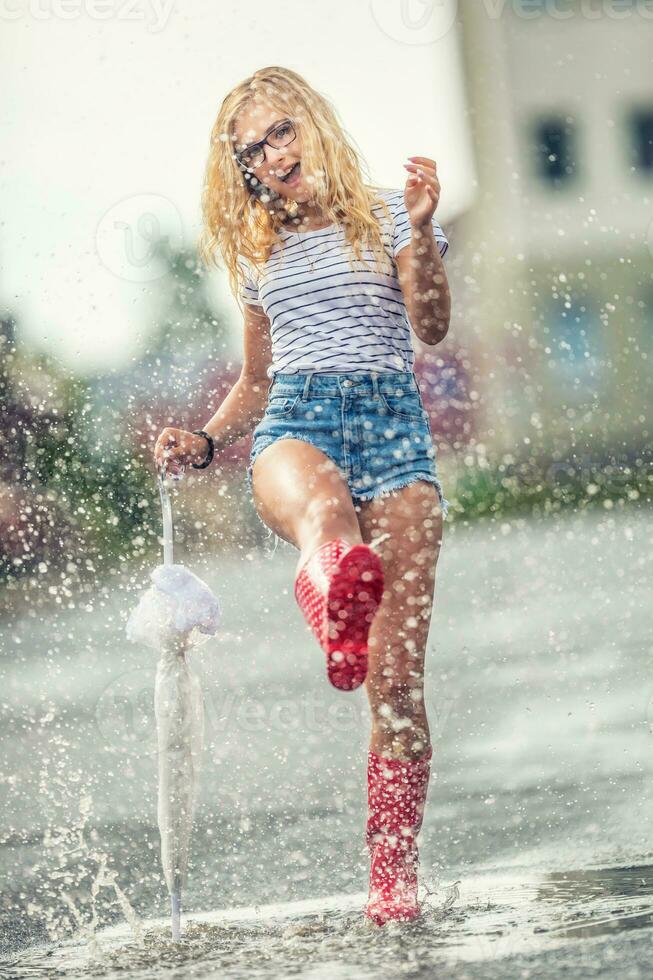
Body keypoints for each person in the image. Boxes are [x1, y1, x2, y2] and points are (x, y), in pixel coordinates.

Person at [154, 66, 452, 926]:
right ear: (241, 169)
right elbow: (255, 381)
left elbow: (429, 325)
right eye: (252, 150)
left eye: (281, 131)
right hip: (298, 423)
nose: (272, 155)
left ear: (313, 123)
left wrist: (426, 234)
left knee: (396, 692)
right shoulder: (256, 249)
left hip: (395, 435)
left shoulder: (395, 211)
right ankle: (335, 602)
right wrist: (208, 439)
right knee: (324, 515)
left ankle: (392, 882)